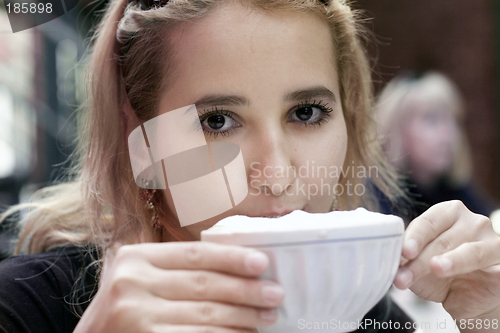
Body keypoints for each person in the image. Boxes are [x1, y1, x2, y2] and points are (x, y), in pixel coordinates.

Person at [0, 1, 499, 333]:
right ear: (143, 144)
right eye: (218, 121)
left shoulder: (364, 316)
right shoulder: (26, 307)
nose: (278, 173)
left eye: (306, 113)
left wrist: (484, 320)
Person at [375, 72, 498, 222]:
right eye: (431, 120)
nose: (448, 134)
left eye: (452, 120)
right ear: (396, 129)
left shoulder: (455, 189)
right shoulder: (379, 194)